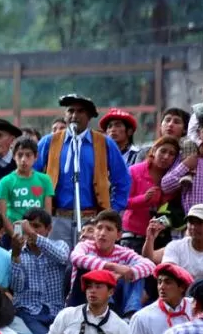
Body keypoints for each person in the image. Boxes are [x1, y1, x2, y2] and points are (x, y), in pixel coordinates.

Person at [35, 94, 131, 247]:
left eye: (80, 111)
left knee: (88, 264)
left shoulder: (104, 143)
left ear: (89, 116)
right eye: (70, 111)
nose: (74, 116)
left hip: (93, 219)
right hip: (56, 218)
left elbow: (123, 180)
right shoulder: (49, 142)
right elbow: (32, 176)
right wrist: (39, 211)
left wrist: (113, 210)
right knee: (57, 265)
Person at [67, 209, 155, 316]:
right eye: (99, 228)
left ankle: (131, 314)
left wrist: (127, 272)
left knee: (135, 272)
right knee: (86, 267)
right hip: (82, 301)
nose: (102, 233)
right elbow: (76, 257)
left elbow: (150, 265)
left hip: (115, 300)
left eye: (109, 229)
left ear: (118, 235)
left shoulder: (123, 252)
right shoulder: (86, 246)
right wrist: (111, 268)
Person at [161, 110, 203, 242]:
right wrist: (185, 166)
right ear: (199, 133)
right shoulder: (188, 156)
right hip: (190, 229)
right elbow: (165, 186)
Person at [10, 209, 70, 334]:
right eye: (28, 226)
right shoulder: (15, 252)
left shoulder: (60, 245)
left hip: (56, 311)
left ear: (48, 229)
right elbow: (17, 287)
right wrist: (16, 255)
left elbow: (62, 257)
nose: (31, 230)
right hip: (28, 311)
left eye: (36, 226)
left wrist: (32, 234)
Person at [120, 136, 181, 253]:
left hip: (161, 237)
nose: (166, 157)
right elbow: (122, 201)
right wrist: (143, 198)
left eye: (172, 154)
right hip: (134, 236)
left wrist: (163, 222)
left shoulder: (173, 178)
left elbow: (175, 210)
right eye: (163, 151)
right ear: (153, 151)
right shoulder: (134, 171)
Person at [144, 205, 203, 280]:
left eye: (200, 222)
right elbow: (166, 273)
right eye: (191, 222)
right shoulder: (174, 246)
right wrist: (149, 239)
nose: (194, 227)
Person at [0, 137, 55, 231]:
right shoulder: (5, 181)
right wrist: (13, 234)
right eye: (20, 155)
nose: (23, 159)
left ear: (36, 157)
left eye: (28, 155)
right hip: (13, 231)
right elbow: (0, 214)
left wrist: (42, 234)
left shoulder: (45, 180)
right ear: (14, 156)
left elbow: (47, 212)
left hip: (37, 232)